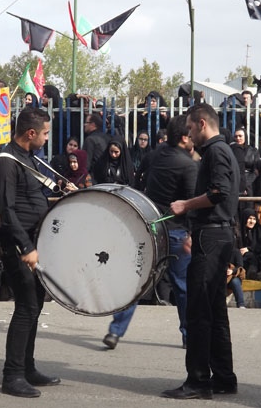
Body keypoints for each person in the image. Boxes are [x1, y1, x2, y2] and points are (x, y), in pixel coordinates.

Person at [163, 103, 239, 400]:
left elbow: (218, 192)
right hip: (215, 234)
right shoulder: (221, 151)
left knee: (198, 311)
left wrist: (185, 205)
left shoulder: (217, 152)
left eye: (191, 128)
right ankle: (223, 377)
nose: (189, 134)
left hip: (212, 236)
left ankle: (198, 381)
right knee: (214, 310)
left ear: (202, 123)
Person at [102, 115, 197, 350]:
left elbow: (138, 179)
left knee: (138, 280)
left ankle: (115, 331)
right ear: (184, 138)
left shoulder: (156, 154)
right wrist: (191, 233)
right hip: (176, 230)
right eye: (192, 133)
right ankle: (188, 335)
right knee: (182, 285)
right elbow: (192, 203)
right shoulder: (187, 165)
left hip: (150, 226)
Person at [0, 107, 61, 398]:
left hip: (32, 242)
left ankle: (27, 368)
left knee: (35, 306)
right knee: (27, 307)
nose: (47, 138)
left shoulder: (28, 158)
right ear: (31, 133)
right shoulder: (6, 163)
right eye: (45, 133)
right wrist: (28, 247)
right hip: (17, 245)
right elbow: (7, 212)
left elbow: (33, 197)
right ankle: (12, 375)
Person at [83, 112, 110, 176]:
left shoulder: (90, 140)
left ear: (93, 124)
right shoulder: (107, 137)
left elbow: (86, 164)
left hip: (95, 176)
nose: (84, 125)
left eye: (86, 122)